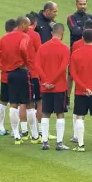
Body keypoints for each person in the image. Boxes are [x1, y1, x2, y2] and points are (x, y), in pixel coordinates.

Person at [0, 16, 41, 144]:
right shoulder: (25, 37)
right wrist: (25, 62)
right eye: (28, 25)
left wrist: (3, 68)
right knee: (29, 104)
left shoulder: (4, 38)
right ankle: (35, 136)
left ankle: (17, 136)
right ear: (22, 25)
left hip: (10, 74)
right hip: (22, 73)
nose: (29, 28)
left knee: (13, 104)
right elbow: (23, 49)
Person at [35, 23, 70, 150]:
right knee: (60, 113)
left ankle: (45, 142)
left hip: (45, 86)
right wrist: (53, 81)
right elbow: (62, 68)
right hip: (59, 86)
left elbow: (37, 65)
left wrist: (46, 81)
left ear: (51, 33)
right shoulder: (65, 48)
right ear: (63, 33)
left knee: (46, 113)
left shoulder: (42, 47)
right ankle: (59, 143)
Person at [66, 0, 92, 108]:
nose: (82, 6)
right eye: (80, 4)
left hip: (89, 49)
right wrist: (88, 29)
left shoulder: (91, 17)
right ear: (76, 4)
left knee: (89, 73)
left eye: (84, 4)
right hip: (75, 50)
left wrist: (81, 29)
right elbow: (74, 31)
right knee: (71, 76)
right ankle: (67, 99)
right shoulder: (71, 17)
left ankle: (91, 94)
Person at [26, 11, 55, 140]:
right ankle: (41, 133)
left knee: (25, 103)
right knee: (39, 102)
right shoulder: (35, 35)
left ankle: (26, 132)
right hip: (34, 74)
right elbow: (41, 52)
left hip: (20, 73)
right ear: (35, 22)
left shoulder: (18, 34)